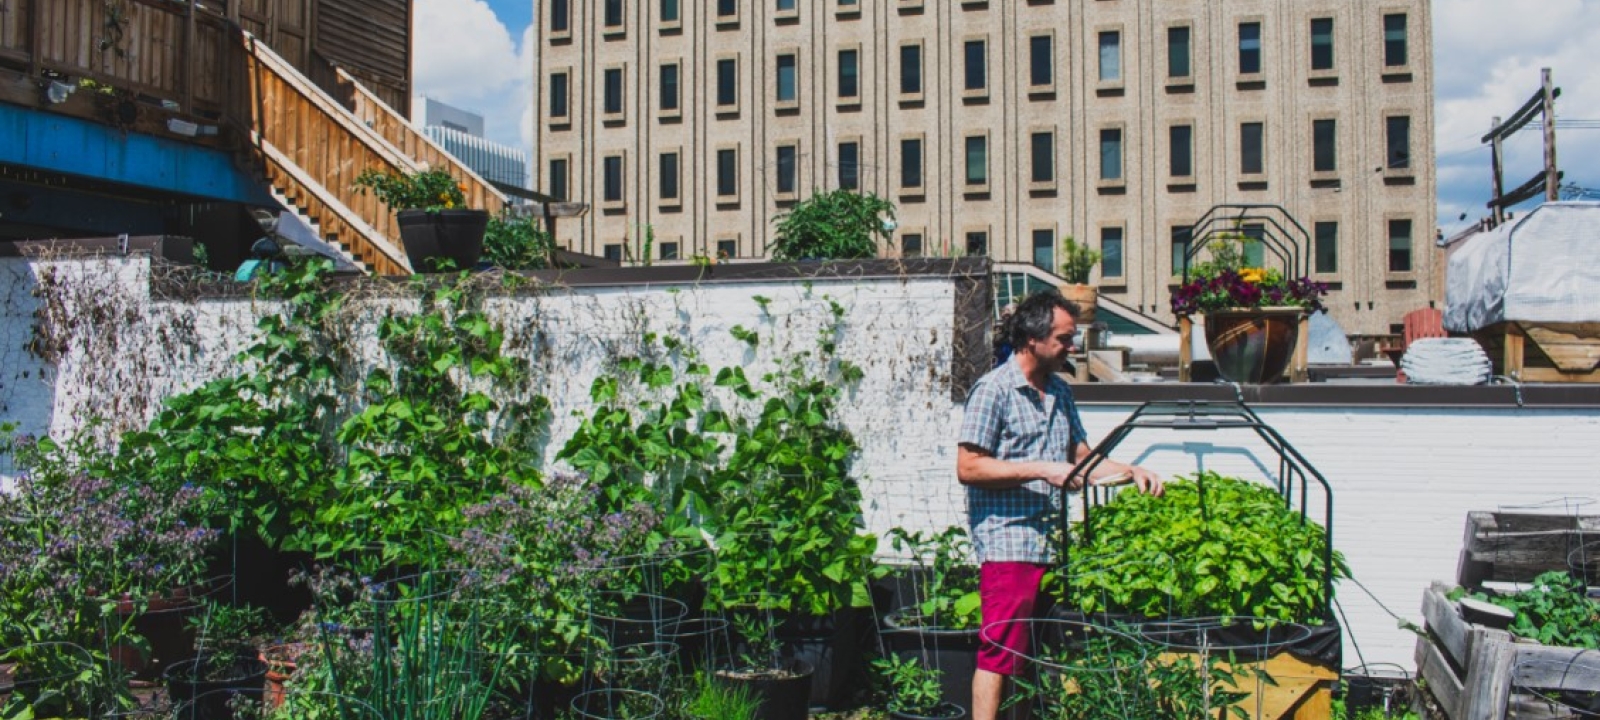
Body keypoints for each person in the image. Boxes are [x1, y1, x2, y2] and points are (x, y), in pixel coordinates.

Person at [956, 290, 1164, 720]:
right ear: (1033, 339)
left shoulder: (1060, 392)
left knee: (1032, 653)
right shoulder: (993, 391)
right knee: (1000, 649)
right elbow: (969, 467)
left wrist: (1130, 470)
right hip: (1009, 542)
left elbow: (1081, 459)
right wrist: (1039, 469)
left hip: (1052, 544)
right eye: (1066, 338)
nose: (1073, 347)